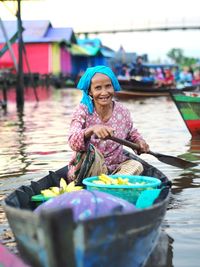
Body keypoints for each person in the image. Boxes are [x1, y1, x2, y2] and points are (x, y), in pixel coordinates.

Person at [67, 65, 149, 184]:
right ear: (90, 91)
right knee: (91, 153)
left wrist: (140, 142)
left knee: (136, 165)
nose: (104, 92)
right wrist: (91, 130)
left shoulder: (123, 111)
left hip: (114, 171)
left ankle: (110, 185)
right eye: (98, 88)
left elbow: (131, 133)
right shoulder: (82, 110)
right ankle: (106, 186)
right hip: (87, 171)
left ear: (113, 86)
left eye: (108, 86)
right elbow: (72, 140)